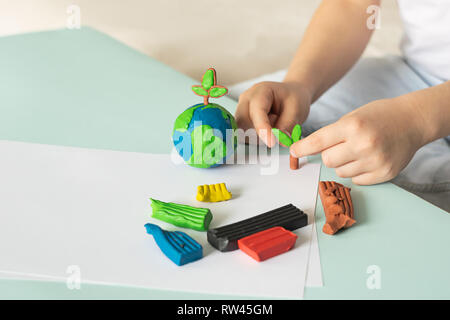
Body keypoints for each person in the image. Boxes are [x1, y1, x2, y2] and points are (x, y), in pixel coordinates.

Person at [232, 0, 450, 212]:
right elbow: (352, 4)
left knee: (386, 200)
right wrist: (300, 83)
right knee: (242, 111)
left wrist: (416, 119)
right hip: (415, 73)